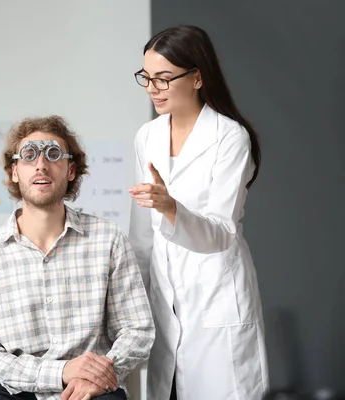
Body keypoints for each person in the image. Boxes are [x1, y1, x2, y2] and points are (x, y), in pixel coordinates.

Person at [0, 115, 155, 400]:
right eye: (29, 156)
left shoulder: (108, 239)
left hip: (90, 388)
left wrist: (101, 375)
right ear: (14, 171)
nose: (41, 164)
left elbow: (136, 330)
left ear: (71, 170)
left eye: (53, 154)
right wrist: (60, 372)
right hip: (13, 388)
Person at [128, 25, 269, 400]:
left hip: (215, 297)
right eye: (146, 77)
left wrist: (172, 208)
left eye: (164, 78)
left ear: (197, 77)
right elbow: (142, 236)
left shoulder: (230, 137)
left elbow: (222, 232)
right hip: (165, 302)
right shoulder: (148, 136)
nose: (152, 88)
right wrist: (132, 305)